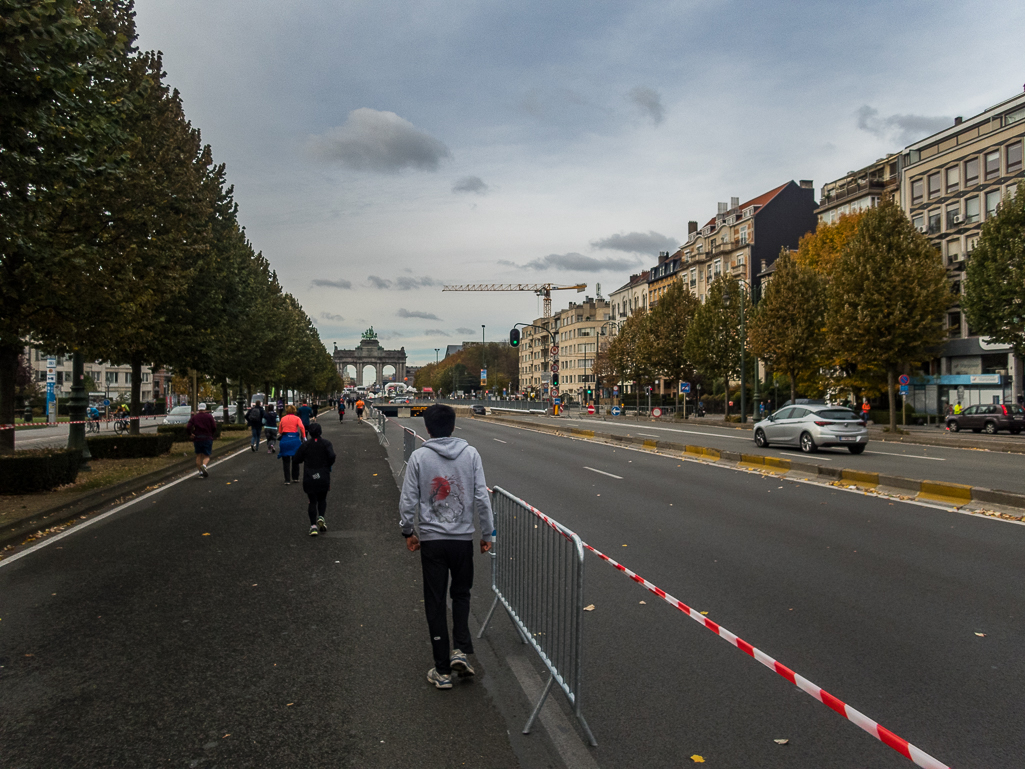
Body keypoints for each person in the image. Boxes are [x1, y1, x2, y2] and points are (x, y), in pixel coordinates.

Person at [399, 404, 494, 690]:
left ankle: (441, 671)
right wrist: (488, 533)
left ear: (427, 428)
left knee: (436, 601)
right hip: (462, 539)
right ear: (452, 426)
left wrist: (408, 531)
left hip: (432, 540)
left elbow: (408, 499)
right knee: (462, 595)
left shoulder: (419, 456)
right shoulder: (471, 454)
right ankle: (460, 651)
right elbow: (481, 497)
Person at [294, 422, 336, 537]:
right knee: (322, 498)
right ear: (320, 432)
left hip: (310, 476)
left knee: (312, 501)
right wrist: (327, 465)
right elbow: (332, 456)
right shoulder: (326, 443)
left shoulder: (305, 445)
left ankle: (313, 526)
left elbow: (296, 459)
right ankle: (321, 517)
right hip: (323, 474)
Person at [186, 403, 217, 478]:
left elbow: (188, 427)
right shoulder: (209, 417)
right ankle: (204, 465)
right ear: (205, 409)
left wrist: (190, 434)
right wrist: (211, 434)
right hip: (207, 438)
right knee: (206, 456)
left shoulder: (195, 417)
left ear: (198, 409)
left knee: (198, 455)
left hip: (197, 438)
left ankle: (200, 472)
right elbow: (214, 427)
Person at [277, 405, 306, 485]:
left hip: (285, 439)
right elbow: (302, 427)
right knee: (295, 459)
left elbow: (280, 430)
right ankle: (295, 477)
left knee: (286, 461)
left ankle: (287, 479)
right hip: (295, 440)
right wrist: (304, 437)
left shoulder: (283, 418)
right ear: (294, 411)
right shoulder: (297, 418)